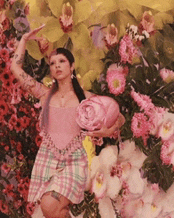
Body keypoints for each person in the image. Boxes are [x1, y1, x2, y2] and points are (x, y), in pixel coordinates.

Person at [11, 25, 125, 218]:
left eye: (62, 61)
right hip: (46, 160)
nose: (57, 65)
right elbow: (15, 67)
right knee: (52, 210)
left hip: (73, 162)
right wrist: (23, 40)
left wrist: (106, 131)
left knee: (49, 205)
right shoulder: (43, 95)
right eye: (52, 63)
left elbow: (119, 117)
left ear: (71, 66)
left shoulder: (85, 98)